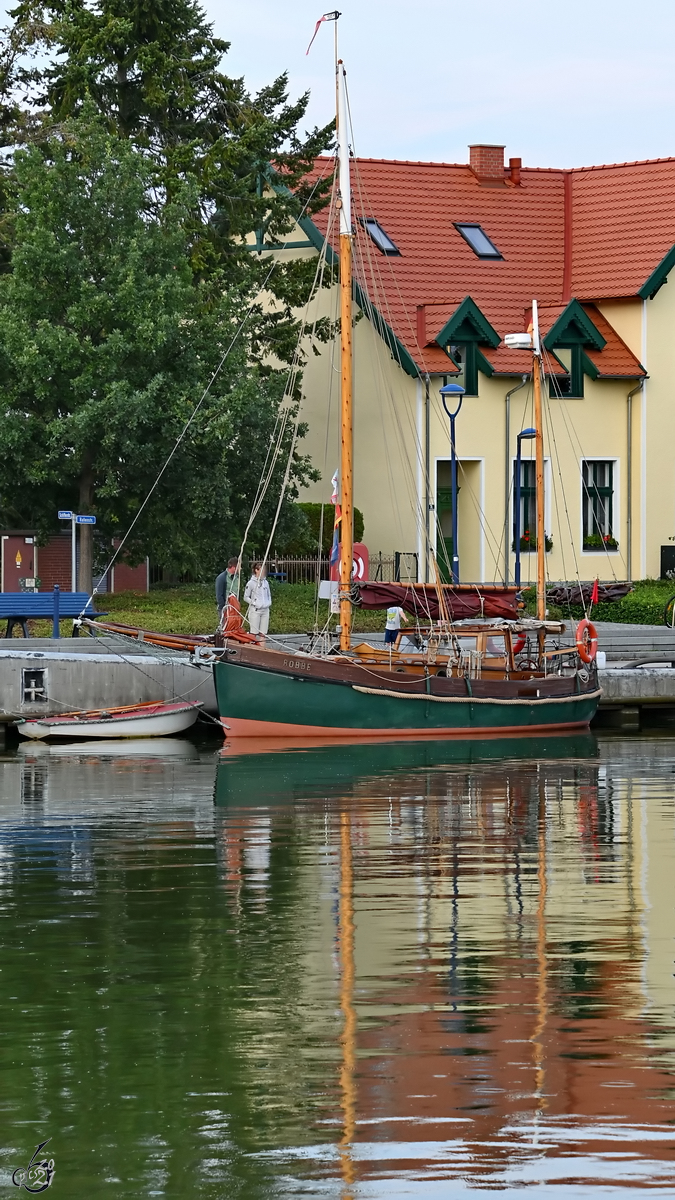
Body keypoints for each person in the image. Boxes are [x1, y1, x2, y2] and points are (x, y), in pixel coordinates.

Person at [244, 562, 272, 643]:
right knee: (253, 633)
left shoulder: (266, 582)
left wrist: (268, 603)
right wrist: (254, 603)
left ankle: (262, 651)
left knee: (263, 634)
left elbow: (268, 595)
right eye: (262, 570)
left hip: (265, 610)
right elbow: (246, 597)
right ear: (256, 570)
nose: (264, 571)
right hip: (255, 611)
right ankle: (253, 651)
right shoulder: (251, 583)